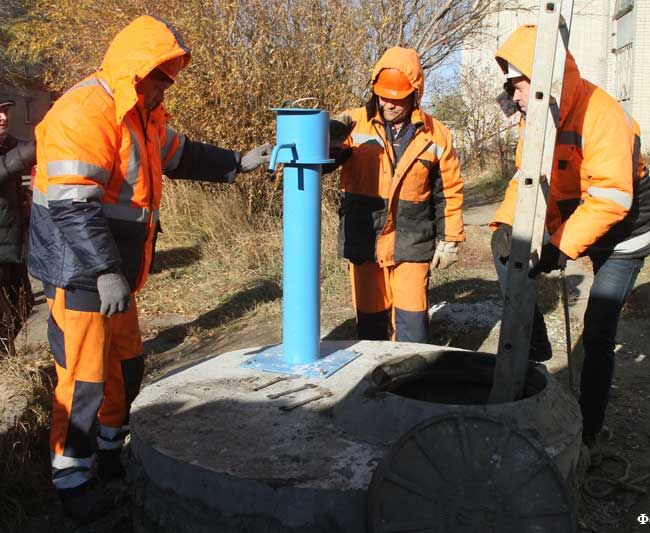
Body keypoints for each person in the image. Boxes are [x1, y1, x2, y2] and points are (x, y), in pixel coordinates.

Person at [28, 15, 272, 522]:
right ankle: (72, 481)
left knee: (127, 366)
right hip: (81, 273)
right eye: (161, 75)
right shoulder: (85, 112)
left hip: (114, 271)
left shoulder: (142, 113)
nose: (168, 85)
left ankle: (112, 452)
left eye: (170, 75)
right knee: (83, 377)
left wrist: (238, 163)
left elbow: (179, 154)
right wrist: (103, 270)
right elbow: (74, 205)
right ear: (135, 71)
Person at [490, 25, 650, 447]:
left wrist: (559, 247)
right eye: (510, 86)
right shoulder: (537, 118)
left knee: (598, 326)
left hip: (624, 233)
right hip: (576, 219)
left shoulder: (601, 114)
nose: (513, 96)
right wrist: (506, 226)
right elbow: (526, 179)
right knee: (507, 253)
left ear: (544, 79)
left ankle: (589, 430)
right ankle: (536, 346)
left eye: (517, 84)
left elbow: (611, 199)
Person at [328, 47, 464, 343]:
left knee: (412, 325)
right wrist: (328, 136)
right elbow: (323, 162)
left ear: (415, 93)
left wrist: (450, 239)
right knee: (370, 325)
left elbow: (449, 191)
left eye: (396, 97)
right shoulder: (353, 124)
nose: (388, 104)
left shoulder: (436, 134)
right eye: (382, 95)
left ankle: (409, 384)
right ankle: (372, 385)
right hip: (364, 238)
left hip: (412, 239)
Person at [0, 96, 35, 356]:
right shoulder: (16, 151)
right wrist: (26, 153)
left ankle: (7, 357)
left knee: (24, 304)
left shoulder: (11, 145)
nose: (3, 117)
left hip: (13, 243)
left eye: (4, 111)